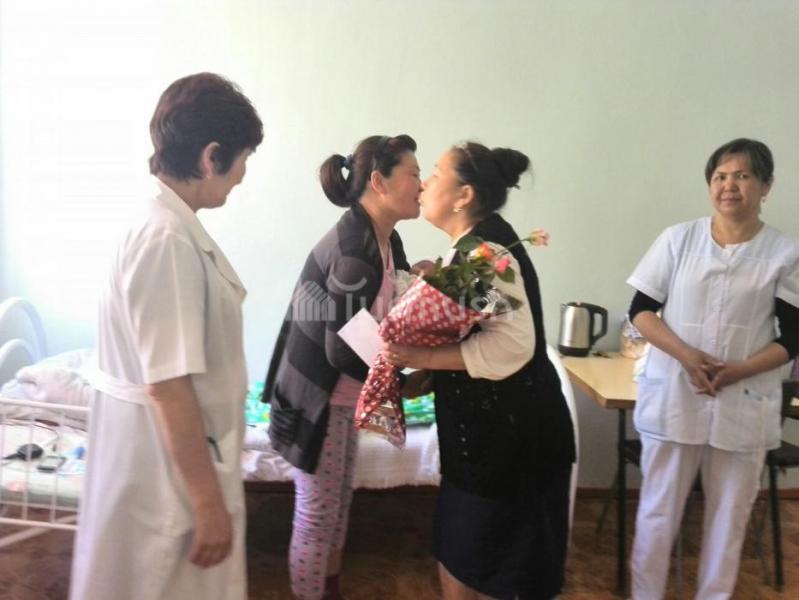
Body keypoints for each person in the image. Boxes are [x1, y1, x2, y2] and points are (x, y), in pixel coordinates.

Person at [69, 73, 263, 600]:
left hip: (163, 455)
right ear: (211, 156)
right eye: (244, 158)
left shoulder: (164, 223)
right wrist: (207, 503)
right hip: (163, 472)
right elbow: (168, 384)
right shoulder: (166, 239)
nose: (243, 175)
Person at [384, 142, 576, 600]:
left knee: (485, 574)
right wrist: (426, 375)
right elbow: (485, 318)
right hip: (491, 444)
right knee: (462, 562)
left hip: (511, 450)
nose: (425, 182)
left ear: (464, 195)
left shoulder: (486, 252)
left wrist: (421, 357)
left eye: (435, 172)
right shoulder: (475, 250)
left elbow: (512, 345)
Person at [627, 138, 799, 599]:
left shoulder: (785, 252)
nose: (729, 185)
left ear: (766, 186)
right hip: (675, 395)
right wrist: (686, 355)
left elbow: (794, 336)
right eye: (720, 176)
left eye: (742, 176)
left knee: (729, 519)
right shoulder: (677, 239)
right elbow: (640, 310)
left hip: (743, 399)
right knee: (657, 513)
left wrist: (739, 370)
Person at [262, 134, 427, 600]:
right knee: (317, 517)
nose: (422, 184)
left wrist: (426, 285)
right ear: (379, 182)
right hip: (320, 397)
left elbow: (394, 303)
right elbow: (340, 348)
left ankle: (327, 591)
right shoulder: (356, 249)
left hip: (343, 394)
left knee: (335, 509)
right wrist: (400, 382)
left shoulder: (385, 237)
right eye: (414, 174)